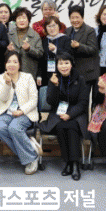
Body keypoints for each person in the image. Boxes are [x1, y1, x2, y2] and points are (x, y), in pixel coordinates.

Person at [39, 52, 89, 180]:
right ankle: (69, 162)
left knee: (71, 126)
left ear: (71, 64)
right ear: (57, 66)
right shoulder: (53, 79)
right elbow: (51, 102)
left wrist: (70, 114)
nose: (63, 66)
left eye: (66, 63)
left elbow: (83, 103)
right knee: (61, 126)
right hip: (58, 114)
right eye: (60, 63)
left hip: (76, 115)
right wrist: (55, 86)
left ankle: (74, 164)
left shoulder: (80, 79)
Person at [0, 51, 41, 174]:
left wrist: (22, 111)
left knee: (14, 128)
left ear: (19, 64)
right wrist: (7, 83)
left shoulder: (28, 77)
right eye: (9, 62)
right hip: (7, 113)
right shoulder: (0, 78)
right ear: (5, 64)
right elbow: (2, 98)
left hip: (26, 113)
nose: (12, 64)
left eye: (15, 62)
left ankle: (30, 159)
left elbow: (34, 99)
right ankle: (30, 151)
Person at [66, 6, 99, 103]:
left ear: (82, 17)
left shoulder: (89, 30)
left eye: (77, 17)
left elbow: (93, 49)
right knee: (74, 101)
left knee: (84, 101)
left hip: (87, 73)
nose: (75, 20)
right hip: (72, 73)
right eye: (72, 18)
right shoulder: (67, 31)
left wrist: (79, 46)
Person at [7, 7, 43, 80]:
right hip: (12, 73)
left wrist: (29, 49)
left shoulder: (35, 35)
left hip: (29, 73)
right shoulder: (9, 35)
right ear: (15, 20)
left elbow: (40, 54)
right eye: (19, 18)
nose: (21, 20)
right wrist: (8, 50)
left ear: (28, 20)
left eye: (24, 18)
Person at [38, 16, 71, 86]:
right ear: (46, 28)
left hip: (62, 73)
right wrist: (39, 75)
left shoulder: (66, 39)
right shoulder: (44, 41)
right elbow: (41, 60)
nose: (52, 28)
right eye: (49, 26)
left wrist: (55, 50)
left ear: (59, 26)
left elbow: (68, 55)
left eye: (54, 25)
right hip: (46, 75)